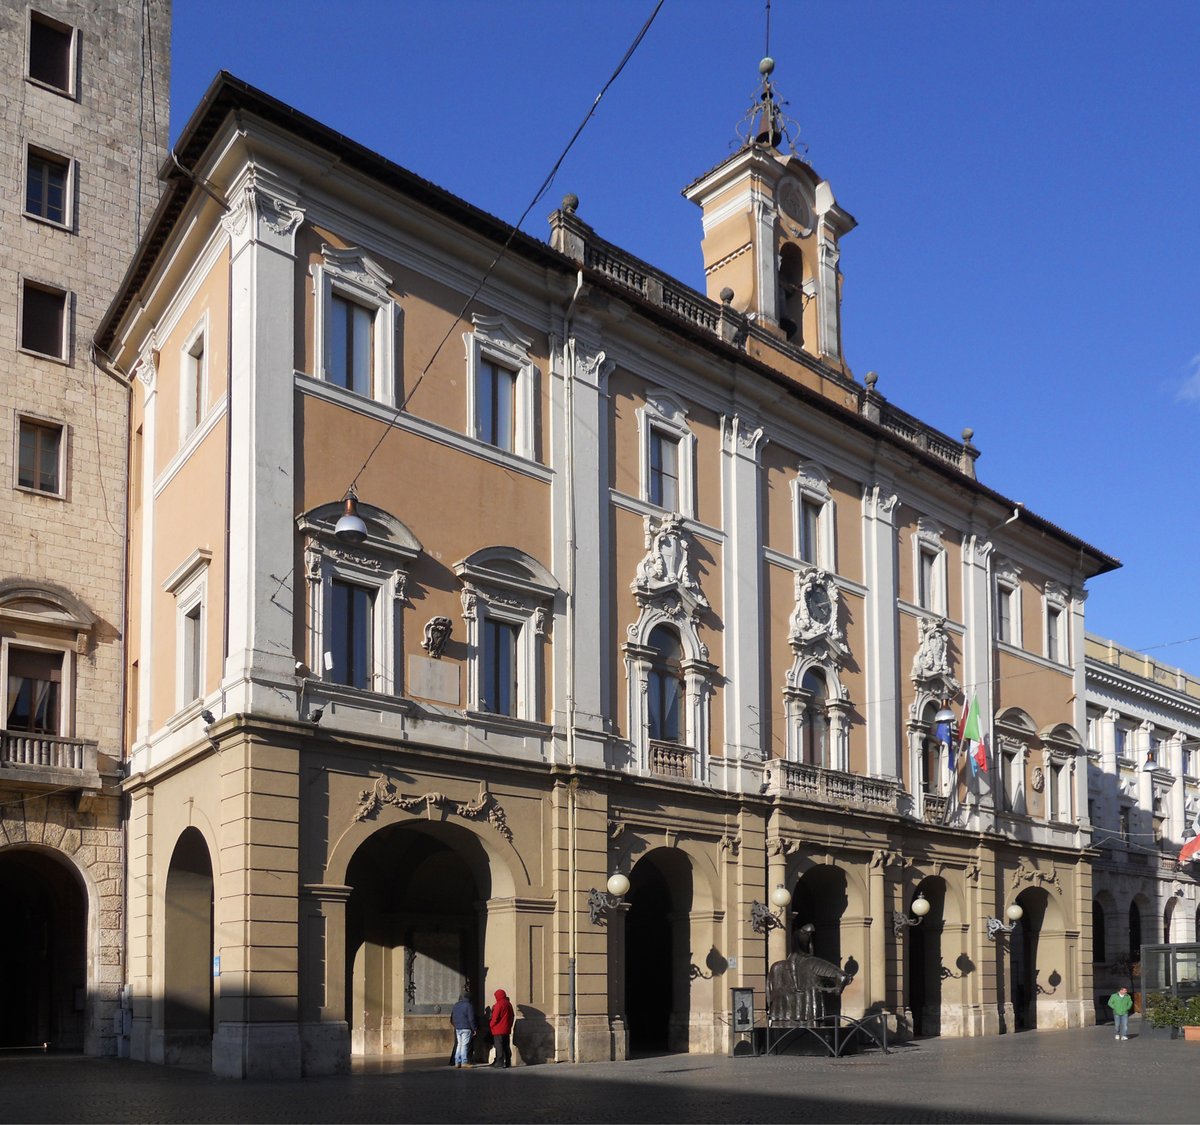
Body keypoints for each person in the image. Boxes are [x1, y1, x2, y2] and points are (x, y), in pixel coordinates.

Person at [450, 990, 477, 1068]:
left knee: (459, 1044)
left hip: (458, 1028)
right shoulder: (469, 1005)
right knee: (464, 1045)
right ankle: (464, 1061)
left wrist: (456, 1025)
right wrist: (474, 1028)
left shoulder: (456, 1005)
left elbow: (453, 1016)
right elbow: (471, 1018)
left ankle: (457, 1061)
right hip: (466, 1027)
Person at [489, 988, 514, 1068]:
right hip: (506, 1029)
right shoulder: (508, 1004)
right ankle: (508, 1062)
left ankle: (499, 1062)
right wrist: (509, 1025)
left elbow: (495, 1017)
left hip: (498, 1029)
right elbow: (512, 1016)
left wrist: (491, 1025)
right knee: (506, 1046)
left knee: (499, 1046)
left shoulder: (498, 1004)